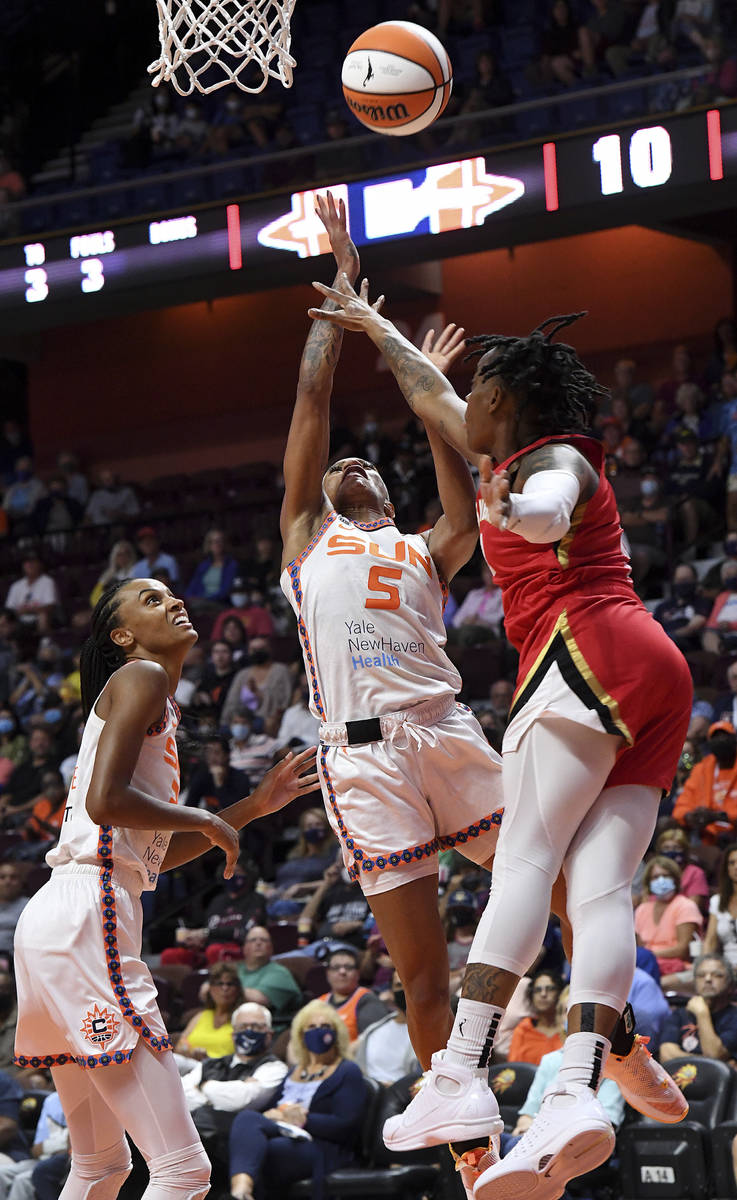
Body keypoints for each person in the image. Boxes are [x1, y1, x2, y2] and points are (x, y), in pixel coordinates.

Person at [309, 284, 694, 1195]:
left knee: (523, 869)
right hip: (651, 672)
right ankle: (574, 1090)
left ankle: (459, 1076)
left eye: (479, 387)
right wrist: (375, 328)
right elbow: (426, 395)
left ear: (507, 402)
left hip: (583, 653)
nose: (464, 398)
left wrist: (517, 510)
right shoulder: (503, 448)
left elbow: (553, 504)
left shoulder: (550, 459)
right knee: (599, 893)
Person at [281, 193, 505, 1085]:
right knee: (421, 974)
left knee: (560, 883)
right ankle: (466, 1138)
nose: (346, 463)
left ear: (383, 485)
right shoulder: (305, 537)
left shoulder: (426, 547)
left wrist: (431, 408)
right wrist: (343, 293)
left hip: (444, 731)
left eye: (360, 463)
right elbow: (310, 397)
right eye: (338, 463)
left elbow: (462, 503)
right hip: (365, 759)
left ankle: (605, 1049)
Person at [11, 576, 318, 1200]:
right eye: (151, 600)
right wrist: (206, 817)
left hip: (60, 917)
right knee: (183, 1170)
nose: (174, 601)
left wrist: (252, 807)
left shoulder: (156, 701)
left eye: (172, 594)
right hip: (86, 913)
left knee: (100, 1166)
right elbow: (104, 802)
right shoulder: (141, 676)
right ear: (122, 636)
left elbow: (151, 854)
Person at [226, 999, 367, 1200]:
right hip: (286, 1134)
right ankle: (240, 1190)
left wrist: (303, 1120)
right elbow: (269, 1111)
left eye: (325, 1026)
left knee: (268, 1150)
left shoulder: (347, 1071)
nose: (318, 1031)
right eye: (311, 1027)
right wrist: (274, 1115)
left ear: (337, 1033)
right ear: (301, 1035)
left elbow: (347, 1125)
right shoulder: (293, 1072)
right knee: (246, 1118)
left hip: (322, 1147)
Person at [659, 954, 737, 1063]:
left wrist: (702, 1014)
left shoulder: (733, 1018)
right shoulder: (679, 1014)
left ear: (730, 984)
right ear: (695, 983)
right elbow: (666, 1056)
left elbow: (714, 1055)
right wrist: (712, 1063)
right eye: (701, 975)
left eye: (717, 975)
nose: (708, 979)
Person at [634, 856, 702, 976]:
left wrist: (648, 955)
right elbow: (640, 947)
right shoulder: (642, 910)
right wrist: (646, 957)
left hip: (678, 967)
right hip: (646, 966)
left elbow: (682, 950)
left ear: (675, 879)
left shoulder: (685, 906)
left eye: (665, 876)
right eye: (655, 877)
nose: (661, 880)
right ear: (648, 882)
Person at [354, 971, 420, 1085]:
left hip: (402, 1097)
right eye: (399, 985)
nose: (405, 990)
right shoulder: (375, 1029)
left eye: (409, 984)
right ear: (391, 992)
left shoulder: (430, 1034)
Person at [236, 927, 303, 1034]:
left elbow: (259, 1000)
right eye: (253, 940)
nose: (258, 943)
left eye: (263, 940)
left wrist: (226, 988)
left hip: (265, 1032)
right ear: (244, 948)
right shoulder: (235, 969)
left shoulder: (280, 973)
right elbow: (205, 990)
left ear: (270, 948)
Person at [176, 962, 244, 1061]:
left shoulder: (242, 1018)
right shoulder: (202, 1015)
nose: (225, 988)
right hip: (191, 1064)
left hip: (223, 1070)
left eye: (230, 984)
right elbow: (180, 1045)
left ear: (238, 990)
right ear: (210, 989)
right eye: (219, 984)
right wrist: (191, 1051)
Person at [318, 947, 389, 1040]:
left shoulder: (367, 999)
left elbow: (373, 1039)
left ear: (358, 973)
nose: (342, 972)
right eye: (336, 967)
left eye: (348, 967)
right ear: (327, 973)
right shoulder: (319, 1002)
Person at [508, 971, 565, 1066]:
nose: (543, 994)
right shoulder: (523, 1029)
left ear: (560, 993)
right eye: (537, 990)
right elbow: (513, 1070)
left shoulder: (568, 1029)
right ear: (531, 997)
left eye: (550, 989)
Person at [702, 842, 737, 969]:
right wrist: (704, 966)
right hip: (724, 970)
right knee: (666, 982)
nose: (736, 867)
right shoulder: (717, 901)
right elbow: (710, 941)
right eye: (731, 863)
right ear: (726, 868)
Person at [185, 530, 238, 606]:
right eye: (214, 542)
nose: (217, 544)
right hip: (200, 601)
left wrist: (205, 599)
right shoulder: (203, 565)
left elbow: (225, 591)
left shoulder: (231, 565)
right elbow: (193, 586)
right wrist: (188, 597)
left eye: (220, 541)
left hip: (218, 602)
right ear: (209, 546)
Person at [89, 541, 137, 608]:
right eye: (119, 554)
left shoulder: (136, 571)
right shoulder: (108, 575)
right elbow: (94, 597)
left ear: (131, 555)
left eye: (126, 553)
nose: (123, 557)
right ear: (114, 556)